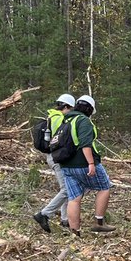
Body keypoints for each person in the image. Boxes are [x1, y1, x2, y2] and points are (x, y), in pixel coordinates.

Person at [55, 94, 113, 235]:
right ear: (89, 109)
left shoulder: (66, 119)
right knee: (105, 187)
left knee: (74, 198)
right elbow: (85, 144)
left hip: (66, 165)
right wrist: (91, 163)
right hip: (83, 163)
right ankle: (99, 223)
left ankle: (75, 232)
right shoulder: (84, 121)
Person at [32, 93, 75, 233]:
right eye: (71, 108)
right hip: (57, 157)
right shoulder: (58, 119)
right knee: (67, 189)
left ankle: (65, 219)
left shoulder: (52, 116)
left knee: (67, 187)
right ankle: (44, 214)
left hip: (55, 157)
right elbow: (60, 139)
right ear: (67, 106)